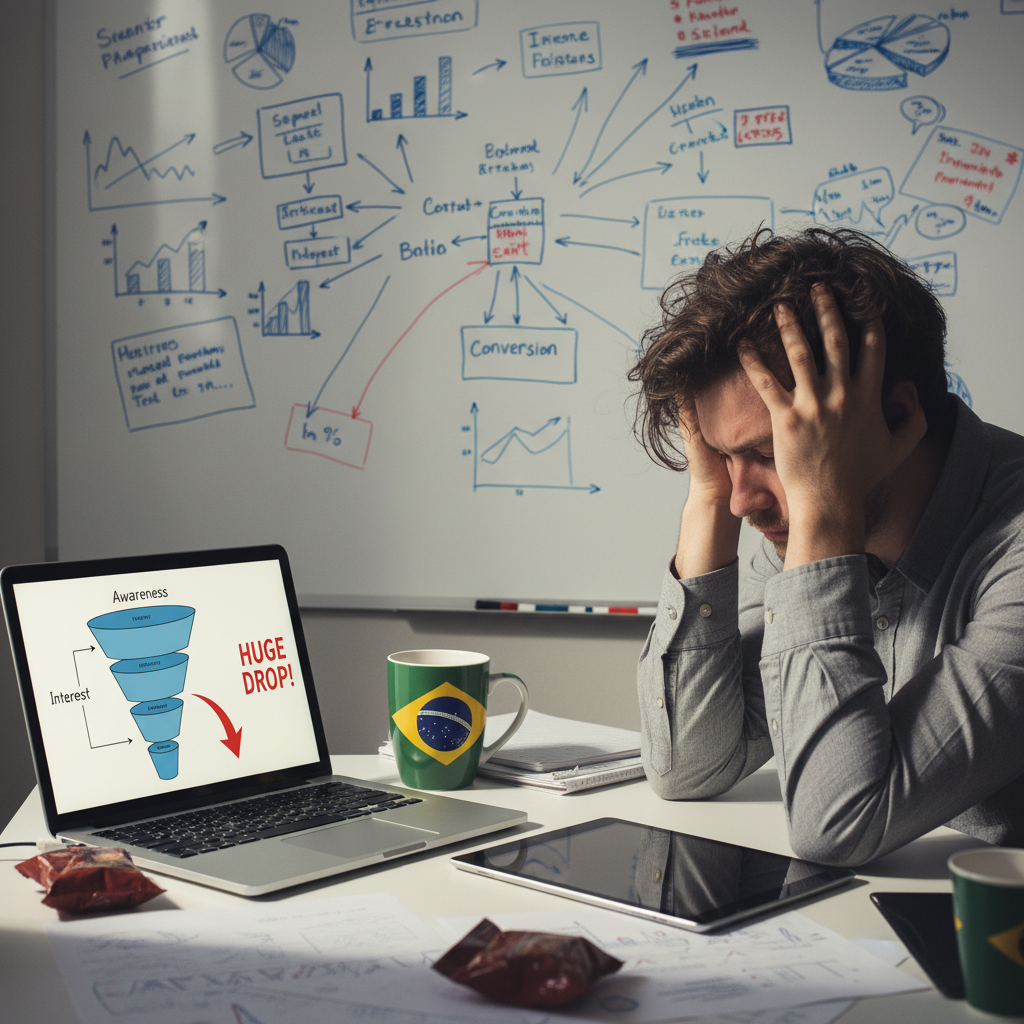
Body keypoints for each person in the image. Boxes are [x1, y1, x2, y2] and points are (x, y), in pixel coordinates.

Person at [629, 226, 1024, 867]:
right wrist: (705, 497)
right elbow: (690, 765)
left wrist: (823, 509)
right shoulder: (800, 525)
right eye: (724, 459)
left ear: (895, 415)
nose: (744, 501)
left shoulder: (830, 520)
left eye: (769, 454)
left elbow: (837, 824)